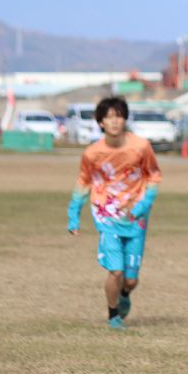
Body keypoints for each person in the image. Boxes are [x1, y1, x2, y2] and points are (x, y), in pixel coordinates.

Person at [67, 97, 162, 330]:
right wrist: (73, 214)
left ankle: (125, 294)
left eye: (118, 116)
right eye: (109, 117)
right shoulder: (92, 153)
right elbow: (83, 182)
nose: (114, 121)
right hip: (106, 215)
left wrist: (142, 206)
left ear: (125, 119)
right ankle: (113, 316)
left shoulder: (141, 147)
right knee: (116, 271)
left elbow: (153, 176)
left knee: (130, 279)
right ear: (100, 122)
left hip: (135, 218)